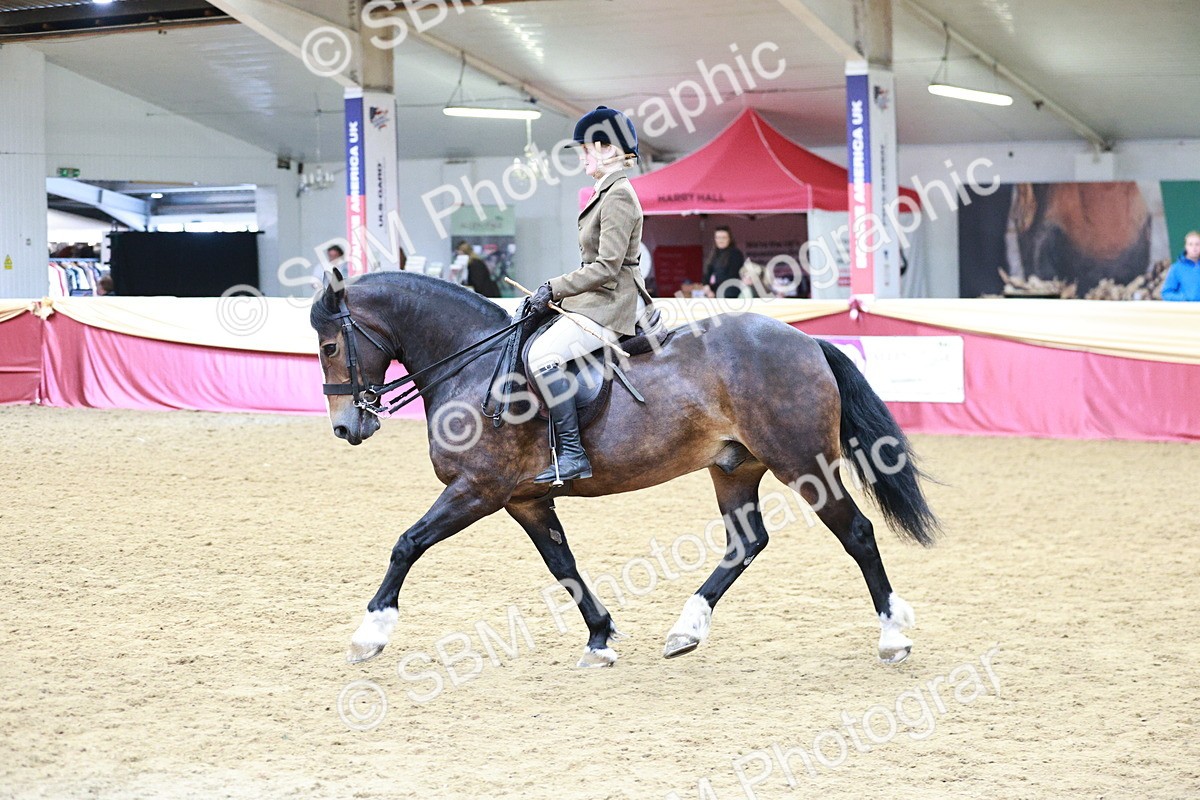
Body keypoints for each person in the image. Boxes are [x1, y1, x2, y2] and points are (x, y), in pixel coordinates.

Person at [526, 105, 653, 484]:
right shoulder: (606, 192)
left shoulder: (618, 196)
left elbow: (607, 267)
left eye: (587, 148)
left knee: (544, 356)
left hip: (612, 303)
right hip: (595, 299)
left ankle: (571, 453)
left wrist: (556, 286)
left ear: (610, 149)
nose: (582, 157)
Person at [703, 226, 745, 299]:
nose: (721, 240)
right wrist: (707, 286)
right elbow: (707, 273)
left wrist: (713, 288)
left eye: (724, 238)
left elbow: (732, 276)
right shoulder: (714, 254)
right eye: (718, 238)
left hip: (730, 294)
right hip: (716, 294)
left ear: (729, 239)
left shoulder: (735, 254)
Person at [1161, 231, 1200, 301]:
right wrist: (1184, 299)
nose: (1194, 248)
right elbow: (1166, 293)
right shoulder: (1176, 268)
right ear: (1186, 247)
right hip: (1186, 310)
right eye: (1190, 244)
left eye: (1197, 244)